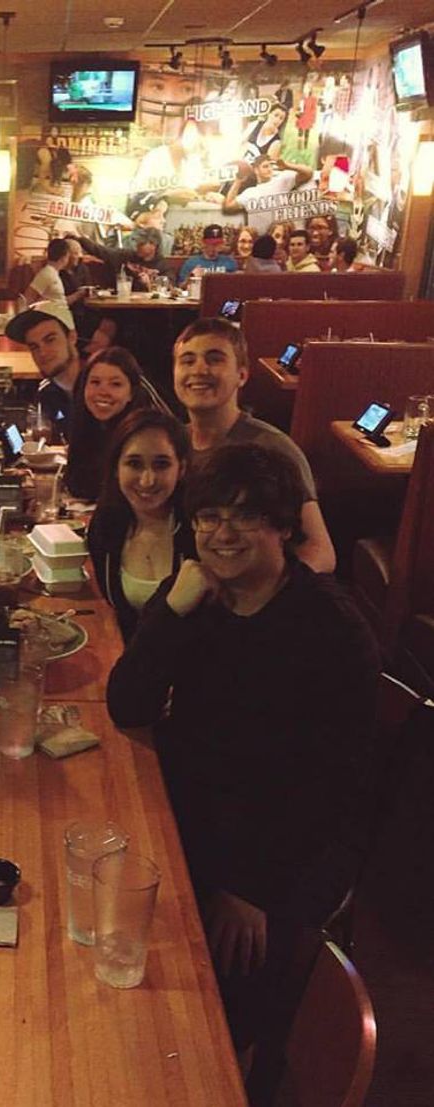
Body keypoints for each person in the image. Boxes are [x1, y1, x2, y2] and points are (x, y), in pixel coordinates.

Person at [106, 445, 380, 1101]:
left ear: (282, 526)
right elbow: (128, 704)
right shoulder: (202, 598)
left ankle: (213, 1071)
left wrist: (251, 887)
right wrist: (171, 610)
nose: (221, 534)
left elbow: (336, 789)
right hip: (198, 812)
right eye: (208, 517)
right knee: (104, 908)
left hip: (285, 852)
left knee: (195, 984)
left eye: (244, 517)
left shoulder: (328, 627)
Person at [172, 317, 335, 572]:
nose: (199, 370)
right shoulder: (171, 445)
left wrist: (264, 589)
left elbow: (320, 552)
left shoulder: (272, 447)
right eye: (187, 361)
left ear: (242, 375)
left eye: (214, 359)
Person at [86, 408, 195, 641]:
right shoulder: (105, 526)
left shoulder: (199, 530)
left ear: (182, 469)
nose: (147, 480)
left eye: (161, 464)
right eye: (134, 464)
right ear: (116, 468)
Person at [64, 347, 152, 502]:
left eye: (115, 384)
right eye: (95, 382)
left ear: (131, 394)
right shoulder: (86, 429)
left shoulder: (142, 439)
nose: (103, 392)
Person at [5, 300, 80, 442]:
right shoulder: (47, 393)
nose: (43, 353)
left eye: (50, 340)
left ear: (72, 337)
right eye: (34, 347)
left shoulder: (101, 384)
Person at [222, 156, 314, 237]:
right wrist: (238, 181)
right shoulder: (249, 193)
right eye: (265, 166)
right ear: (256, 170)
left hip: (281, 236)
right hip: (260, 239)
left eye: (271, 166)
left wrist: (287, 166)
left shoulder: (281, 180)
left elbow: (308, 173)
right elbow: (228, 206)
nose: (269, 169)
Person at [26, 238, 86, 309]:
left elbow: (61, 302)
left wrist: (79, 294)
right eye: (68, 256)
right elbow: (27, 298)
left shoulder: (54, 273)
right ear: (64, 257)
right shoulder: (46, 274)